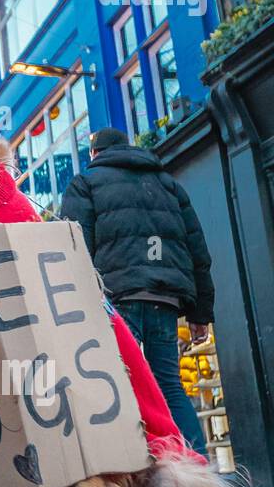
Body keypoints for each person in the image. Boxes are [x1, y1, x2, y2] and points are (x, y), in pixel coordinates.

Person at [60, 127, 212, 458]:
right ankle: (196, 467)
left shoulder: (86, 183)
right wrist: (200, 313)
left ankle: (133, 466)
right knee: (169, 385)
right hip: (166, 300)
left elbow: (73, 247)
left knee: (118, 383)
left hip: (115, 300)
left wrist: (74, 306)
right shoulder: (169, 185)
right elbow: (197, 250)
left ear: (94, 154)